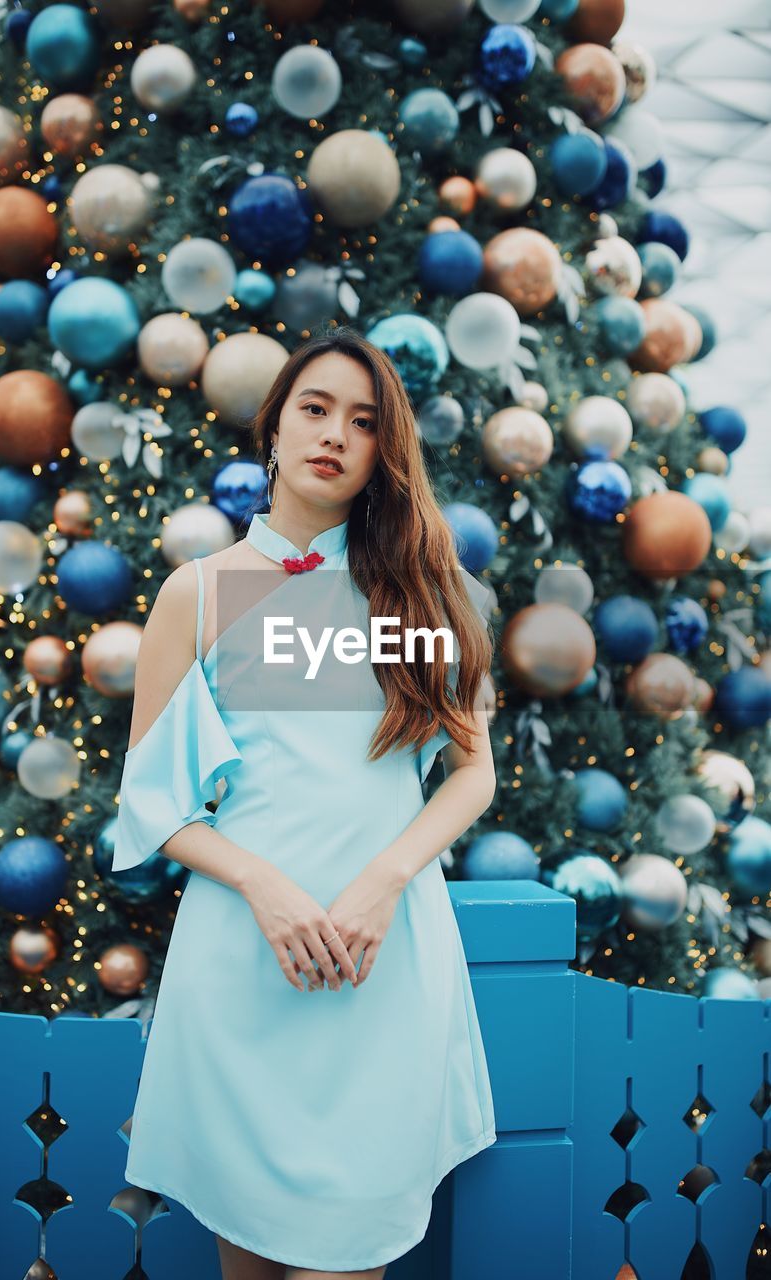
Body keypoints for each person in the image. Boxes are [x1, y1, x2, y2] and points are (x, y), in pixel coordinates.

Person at [111, 327, 498, 1280]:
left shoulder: (425, 596)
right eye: (314, 409)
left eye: (363, 422)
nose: (334, 434)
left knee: (347, 1256)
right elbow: (152, 798)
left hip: (381, 962)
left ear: (381, 454)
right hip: (242, 962)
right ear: (273, 427)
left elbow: (473, 772)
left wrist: (382, 882)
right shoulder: (197, 595)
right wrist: (265, 887)